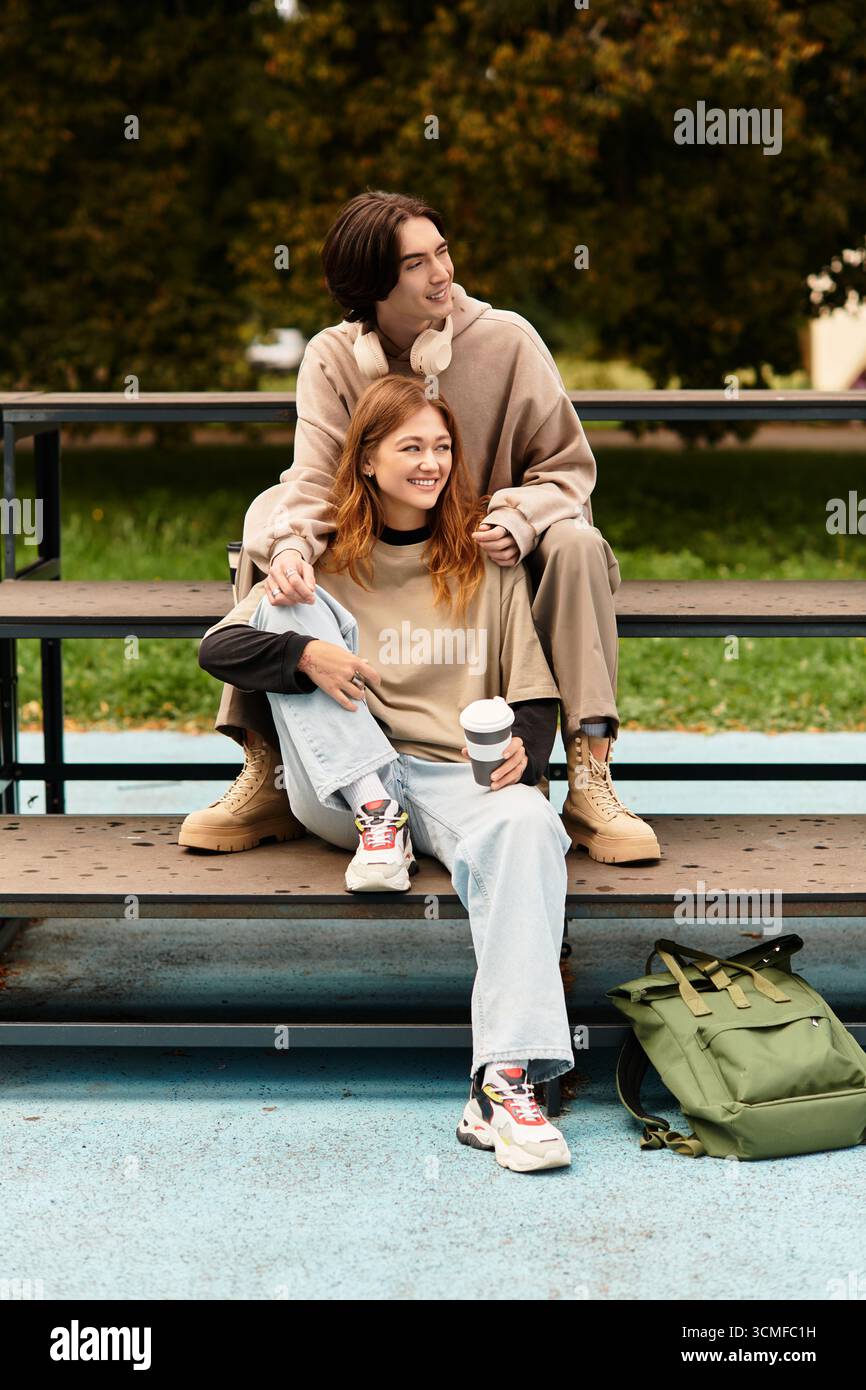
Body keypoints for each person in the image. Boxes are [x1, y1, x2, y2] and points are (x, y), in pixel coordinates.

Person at [179, 189, 660, 865]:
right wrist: (290, 547)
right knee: (271, 532)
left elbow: (570, 471)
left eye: (443, 252)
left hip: (500, 542)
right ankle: (271, 771)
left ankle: (588, 772)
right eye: (416, 264)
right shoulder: (334, 356)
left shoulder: (507, 340)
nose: (442, 274)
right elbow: (314, 480)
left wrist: (518, 517)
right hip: (384, 540)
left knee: (578, 541)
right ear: (373, 285)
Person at [194, 375, 575, 1174]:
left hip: (454, 778)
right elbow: (218, 650)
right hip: (344, 786)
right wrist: (307, 654)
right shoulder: (319, 561)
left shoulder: (484, 559)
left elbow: (536, 695)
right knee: (289, 616)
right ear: (366, 459)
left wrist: (526, 751)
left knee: (532, 822)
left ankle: (505, 1084)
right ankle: (382, 817)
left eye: (442, 447)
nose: (431, 462)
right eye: (411, 447)